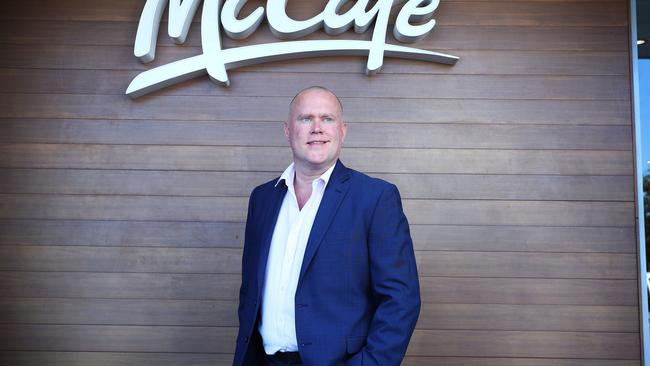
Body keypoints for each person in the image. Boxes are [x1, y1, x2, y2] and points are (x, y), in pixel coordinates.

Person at [233, 86, 420, 366]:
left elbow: (400, 300)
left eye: (327, 119)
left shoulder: (375, 198)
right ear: (287, 130)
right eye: (306, 118)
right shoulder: (262, 198)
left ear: (342, 131)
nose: (317, 128)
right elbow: (251, 291)